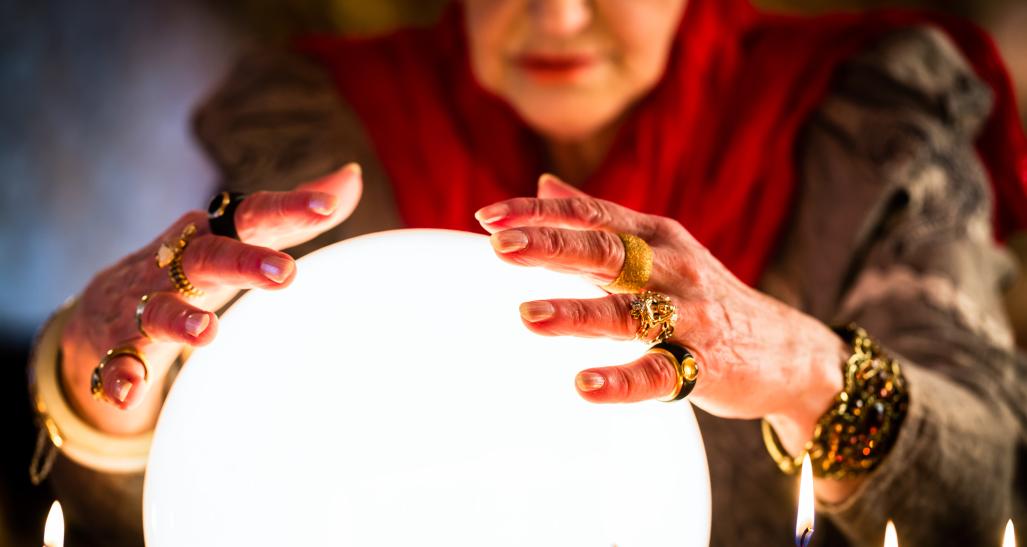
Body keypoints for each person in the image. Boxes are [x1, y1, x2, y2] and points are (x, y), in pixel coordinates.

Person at [26, 0, 1027, 545]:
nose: (554, 16)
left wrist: (797, 365)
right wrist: (105, 393)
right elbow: (212, 495)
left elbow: (983, 493)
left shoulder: (863, 124)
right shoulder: (325, 127)